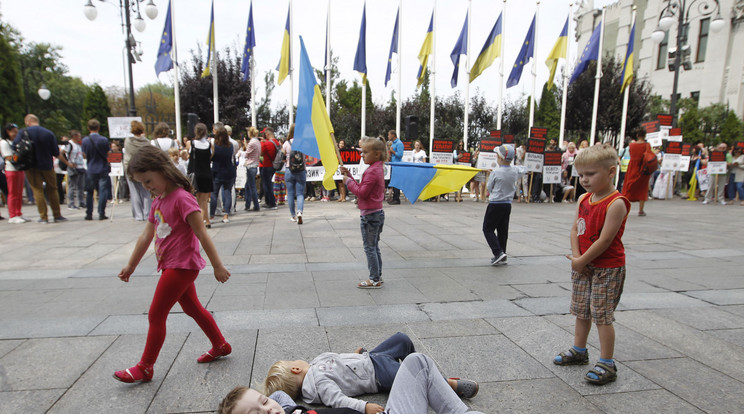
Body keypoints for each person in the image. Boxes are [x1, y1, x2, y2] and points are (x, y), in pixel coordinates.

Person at [113, 145, 231, 383]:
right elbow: (146, 235)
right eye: (142, 184)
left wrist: (217, 265)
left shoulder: (182, 198)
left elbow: (202, 234)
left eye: (148, 181)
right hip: (171, 265)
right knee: (192, 308)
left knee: (156, 315)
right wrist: (131, 265)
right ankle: (220, 345)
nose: (147, 187)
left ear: (163, 170)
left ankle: (145, 366)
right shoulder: (159, 200)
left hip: (182, 267)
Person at [554, 143, 630, 386]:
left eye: (591, 174)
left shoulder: (616, 203)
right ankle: (579, 349)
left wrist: (582, 261)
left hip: (607, 269)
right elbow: (576, 228)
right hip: (583, 266)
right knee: (581, 310)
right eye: (581, 175)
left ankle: (607, 362)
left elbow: (606, 239)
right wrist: (577, 259)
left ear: (610, 171)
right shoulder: (584, 198)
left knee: (602, 315)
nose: (585, 180)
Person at [262, 332, 478, 414]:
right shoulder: (317, 383)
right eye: (292, 361)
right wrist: (364, 407)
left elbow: (339, 360)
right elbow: (338, 401)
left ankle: (432, 382)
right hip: (377, 375)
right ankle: (448, 385)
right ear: (296, 369)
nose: (296, 360)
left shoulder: (315, 363)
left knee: (403, 339)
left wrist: (356, 355)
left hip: (370, 359)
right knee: (412, 370)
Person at [220, 353, 483, 414]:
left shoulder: (286, 409)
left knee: (417, 361)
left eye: (263, 403)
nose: (266, 410)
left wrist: (266, 398)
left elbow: (279, 399)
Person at [341, 137, 387, 289]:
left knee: (370, 247)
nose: (362, 155)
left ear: (377, 154)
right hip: (376, 213)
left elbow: (361, 192)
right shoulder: (376, 168)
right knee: (374, 246)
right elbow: (362, 187)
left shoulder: (372, 171)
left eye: (366, 152)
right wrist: (349, 175)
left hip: (370, 215)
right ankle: (377, 275)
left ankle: (374, 279)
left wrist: (347, 182)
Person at [16, 114, 67, 223]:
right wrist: (67, 162)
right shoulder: (48, 133)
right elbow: (55, 152)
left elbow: (14, 146)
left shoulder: (23, 132)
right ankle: (57, 215)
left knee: (37, 190)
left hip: (31, 166)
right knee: (53, 189)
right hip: (47, 165)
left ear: (28, 122)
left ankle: (43, 217)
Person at [483, 144, 527, 266]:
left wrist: (492, 174)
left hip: (495, 204)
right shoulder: (515, 170)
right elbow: (524, 169)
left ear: (501, 158)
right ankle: (503, 253)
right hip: (507, 205)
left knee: (487, 228)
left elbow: (489, 187)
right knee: (503, 230)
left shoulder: (496, 173)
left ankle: (498, 252)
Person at [81, 118, 111, 220]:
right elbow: (107, 153)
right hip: (102, 167)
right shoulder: (103, 140)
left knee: (89, 191)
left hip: (91, 168)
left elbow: (84, 155)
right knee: (102, 191)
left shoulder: (85, 140)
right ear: (98, 127)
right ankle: (101, 212)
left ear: (88, 128)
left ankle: (89, 213)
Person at [124, 120, 152, 221]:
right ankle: (147, 213)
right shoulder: (146, 142)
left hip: (131, 168)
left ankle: (138, 215)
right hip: (143, 168)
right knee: (146, 192)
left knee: (134, 192)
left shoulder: (128, 141)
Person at [188, 123, 214, 228]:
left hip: (196, 174)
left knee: (198, 200)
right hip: (206, 173)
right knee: (204, 200)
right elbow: (211, 156)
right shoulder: (209, 144)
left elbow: (189, 157)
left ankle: (201, 221)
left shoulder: (192, 144)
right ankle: (206, 220)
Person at [621, 128, 651, 216]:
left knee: (628, 186)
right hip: (643, 167)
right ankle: (641, 210)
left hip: (632, 167)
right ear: (645, 135)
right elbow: (649, 155)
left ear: (637, 135)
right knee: (642, 187)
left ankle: (624, 207)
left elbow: (631, 153)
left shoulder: (632, 145)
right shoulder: (647, 145)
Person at [1, 123, 28, 223]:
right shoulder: (4, 142)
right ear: (8, 131)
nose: (16, 134)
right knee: (12, 193)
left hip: (19, 169)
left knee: (19, 192)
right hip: (11, 169)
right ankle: (12, 215)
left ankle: (18, 213)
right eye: (14, 132)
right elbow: (7, 157)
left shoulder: (16, 142)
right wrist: (18, 157)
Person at [210, 126, 236, 224]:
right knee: (227, 192)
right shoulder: (230, 146)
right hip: (229, 171)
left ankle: (212, 216)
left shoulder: (214, 146)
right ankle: (226, 215)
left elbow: (211, 158)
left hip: (217, 171)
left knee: (214, 194)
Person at [285, 124, 306, 224]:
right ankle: (300, 213)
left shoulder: (286, 143)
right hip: (301, 170)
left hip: (289, 170)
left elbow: (282, 156)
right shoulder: (303, 142)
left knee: (290, 193)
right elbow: (309, 158)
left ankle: (293, 216)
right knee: (300, 194)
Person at [62, 130, 86, 211]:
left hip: (80, 166)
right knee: (72, 186)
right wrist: (68, 163)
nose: (80, 137)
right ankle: (71, 203)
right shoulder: (69, 144)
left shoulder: (78, 145)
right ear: (74, 136)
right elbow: (61, 153)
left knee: (80, 186)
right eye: (79, 136)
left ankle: (81, 202)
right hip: (73, 167)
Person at [260, 127, 280, 209]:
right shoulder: (277, 143)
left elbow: (261, 153)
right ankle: (270, 202)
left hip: (267, 165)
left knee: (267, 185)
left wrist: (262, 143)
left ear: (267, 134)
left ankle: (271, 202)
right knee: (268, 184)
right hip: (274, 165)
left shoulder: (267, 144)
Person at [243, 127, 261, 212]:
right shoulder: (257, 141)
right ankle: (247, 204)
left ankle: (256, 205)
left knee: (252, 186)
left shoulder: (252, 143)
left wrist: (246, 145)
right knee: (248, 186)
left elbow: (246, 154)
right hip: (254, 165)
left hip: (250, 165)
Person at [387, 130, 403, 205]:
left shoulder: (399, 143)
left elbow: (400, 155)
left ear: (393, 135)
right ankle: (394, 197)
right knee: (393, 182)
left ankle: (397, 198)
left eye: (389, 135)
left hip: (398, 165)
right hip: (393, 164)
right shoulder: (393, 143)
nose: (388, 136)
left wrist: (392, 152)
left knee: (396, 182)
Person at [273, 135, 287, 206]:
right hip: (284, 169)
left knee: (276, 186)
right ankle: (282, 200)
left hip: (279, 169)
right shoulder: (287, 149)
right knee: (282, 185)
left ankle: (275, 199)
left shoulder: (281, 150)